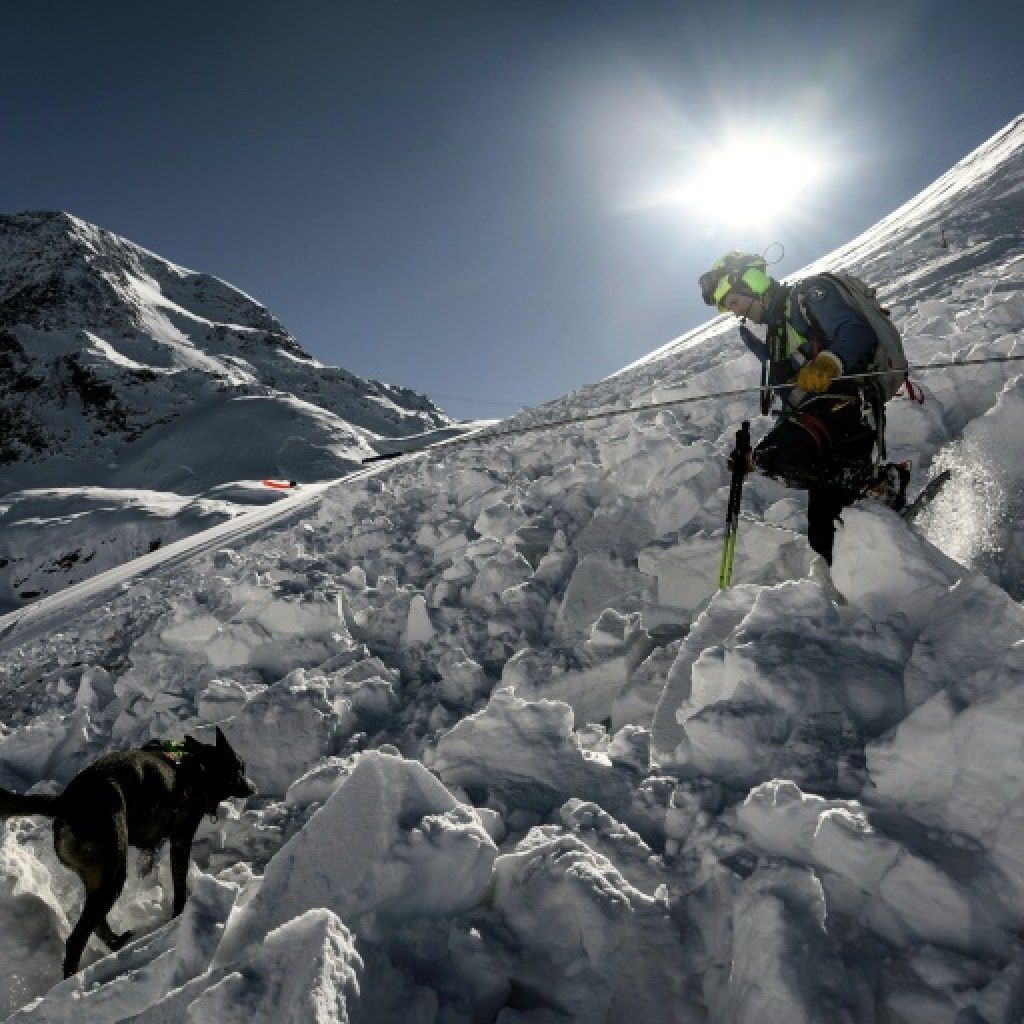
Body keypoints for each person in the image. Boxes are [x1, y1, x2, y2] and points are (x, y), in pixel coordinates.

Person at [699, 251, 909, 565]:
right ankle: (877, 506)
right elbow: (794, 409)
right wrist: (753, 458)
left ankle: (879, 482)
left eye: (734, 303)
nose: (735, 313)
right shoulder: (776, 337)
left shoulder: (808, 296)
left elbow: (857, 331)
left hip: (850, 404)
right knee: (823, 536)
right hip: (820, 417)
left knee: (779, 457)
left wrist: (829, 362)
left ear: (752, 284)